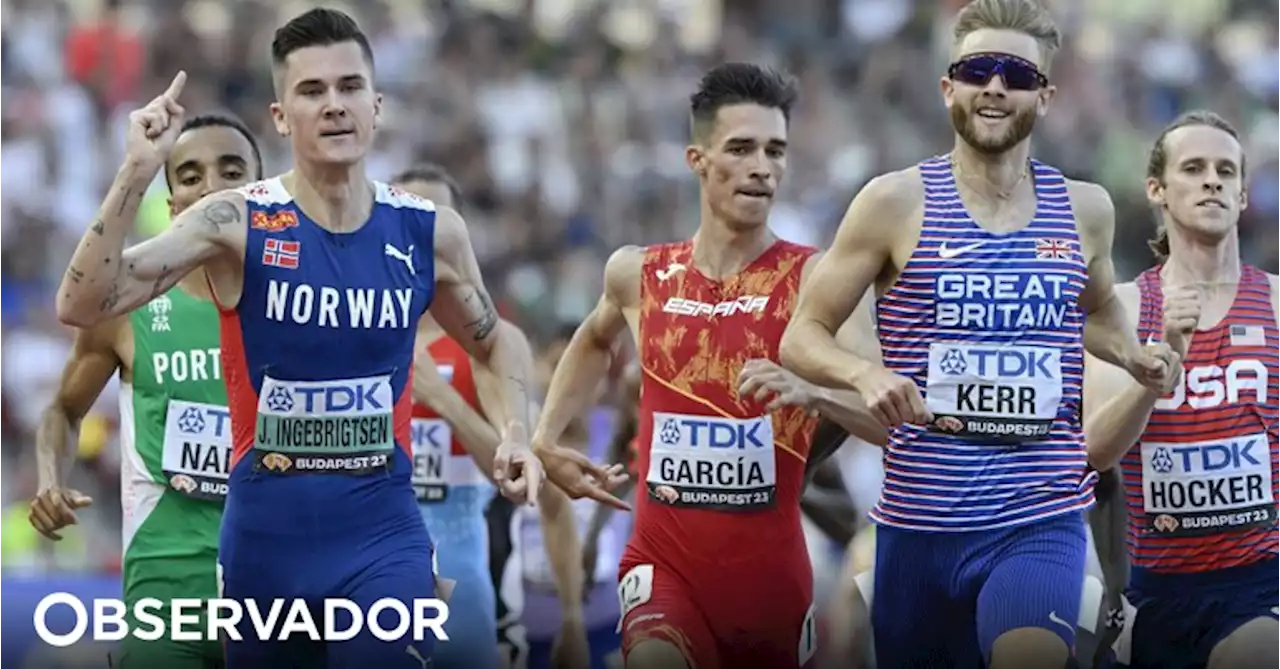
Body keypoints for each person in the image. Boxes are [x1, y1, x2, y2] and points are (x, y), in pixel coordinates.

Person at [51, 9, 613, 666]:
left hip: (383, 538)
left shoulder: (429, 232)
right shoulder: (236, 222)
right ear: (281, 115)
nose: (335, 105)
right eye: (312, 91)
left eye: (349, 88)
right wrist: (135, 171)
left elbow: (495, 341)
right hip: (264, 545)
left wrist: (516, 428)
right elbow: (81, 302)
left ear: (377, 106)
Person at [776, 0, 1179, 666]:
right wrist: (865, 373)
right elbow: (803, 336)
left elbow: (1099, 309)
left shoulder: (1085, 210)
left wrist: (1134, 355)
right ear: (948, 87)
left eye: (1016, 75)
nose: (995, 86)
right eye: (977, 69)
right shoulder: (892, 202)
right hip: (917, 529)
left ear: (1044, 96)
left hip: (1038, 518)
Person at [531, 62, 887, 669]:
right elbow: (593, 340)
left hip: (769, 582)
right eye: (741, 148)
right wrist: (545, 438)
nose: (761, 166)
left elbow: (885, 418)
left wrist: (812, 393)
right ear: (697, 159)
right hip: (661, 565)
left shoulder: (816, 281)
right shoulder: (636, 273)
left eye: (775, 151)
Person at [29, 113, 264, 669]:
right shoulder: (127, 308)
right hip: (167, 586)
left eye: (231, 171)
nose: (211, 186)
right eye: (190, 175)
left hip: (278, 585)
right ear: (174, 201)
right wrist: (49, 479)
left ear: (261, 189)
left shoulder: (300, 306)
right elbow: (63, 411)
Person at [1082, 110, 1280, 669]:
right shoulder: (1123, 306)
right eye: (1193, 168)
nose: (1212, 180)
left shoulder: (1275, 303)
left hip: (1262, 580)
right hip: (1156, 591)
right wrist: (1158, 370)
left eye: (1226, 171)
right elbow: (1097, 449)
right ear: (1158, 190)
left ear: (1243, 195)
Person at [390, 164, 593, 669]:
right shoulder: (355, 332)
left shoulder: (495, 347)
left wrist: (570, 616)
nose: (423, 233)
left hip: (473, 581)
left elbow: (539, 489)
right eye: (408, 216)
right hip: (373, 573)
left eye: (437, 218)